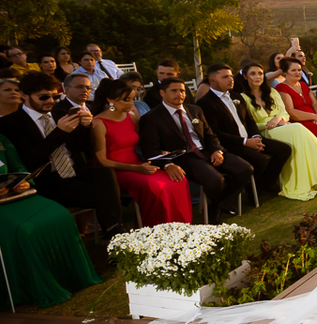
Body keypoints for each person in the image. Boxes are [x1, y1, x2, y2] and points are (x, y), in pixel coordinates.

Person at [0, 72, 123, 238]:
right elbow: (29, 159)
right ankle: (113, 231)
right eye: (43, 97)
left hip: (73, 171)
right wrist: (59, 132)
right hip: (45, 179)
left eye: (54, 96)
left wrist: (86, 128)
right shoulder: (10, 123)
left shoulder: (60, 113)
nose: (50, 101)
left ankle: (113, 229)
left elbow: (83, 148)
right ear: (23, 95)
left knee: (105, 174)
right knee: (106, 196)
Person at [0, 132, 102, 307]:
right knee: (25, 230)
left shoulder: (2, 139)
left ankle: (73, 277)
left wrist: (24, 183)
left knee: (60, 214)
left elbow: (17, 165)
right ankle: (36, 287)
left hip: (15, 197)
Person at [138, 77, 254, 221]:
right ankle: (216, 213)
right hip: (184, 157)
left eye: (182, 91)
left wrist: (217, 150)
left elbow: (210, 135)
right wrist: (168, 165)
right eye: (173, 91)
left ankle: (218, 206)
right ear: (162, 93)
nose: (179, 94)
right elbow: (150, 149)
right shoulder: (152, 118)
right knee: (215, 180)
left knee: (245, 168)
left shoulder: (195, 110)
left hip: (206, 151)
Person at [235, 61, 317, 200]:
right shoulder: (243, 98)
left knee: (297, 130)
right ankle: (302, 180)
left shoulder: (272, 92)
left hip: (282, 126)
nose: (257, 77)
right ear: (245, 77)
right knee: (297, 128)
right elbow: (250, 124)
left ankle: (312, 175)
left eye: (260, 73)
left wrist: (278, 119)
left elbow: (284, 113)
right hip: (265, 132)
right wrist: (272, 122)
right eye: (253, 74)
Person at [93, 78, 192, 226]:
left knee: (178, 178)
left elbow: (143, 143)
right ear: (110, 100)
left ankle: (181, 225)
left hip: (139, 164)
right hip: (115, 171)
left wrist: (161, 154)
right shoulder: (99, 123)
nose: (131, 104)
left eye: (132, 99)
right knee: (156, 186)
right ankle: (155, 228)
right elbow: (101, 160)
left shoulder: (131, 116)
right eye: (126, 100)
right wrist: (138, 168)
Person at [199, 63, 291, 196]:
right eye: (225, 77)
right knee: (260, 160)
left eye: (231, 76)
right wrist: (245, 142)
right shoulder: (205, 103)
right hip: (232, 144)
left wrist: (256, 137)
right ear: (212, 80)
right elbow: (216, 133)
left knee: (283, 149)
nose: (231, 80)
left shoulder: (236, 96)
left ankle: (265, 183)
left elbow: (250, 121)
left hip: (251, 138)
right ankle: (251, 190)